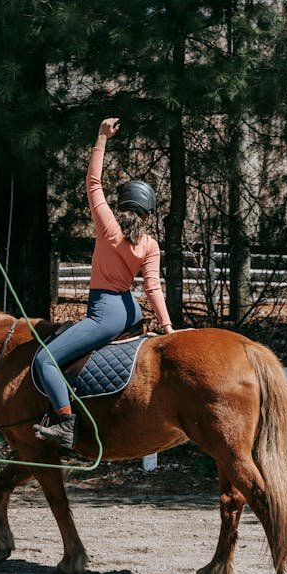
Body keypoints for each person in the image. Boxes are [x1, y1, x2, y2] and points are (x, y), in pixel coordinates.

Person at [33, 117, 175, 450]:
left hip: (105, 312)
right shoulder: (150, 244)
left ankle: (66, 424)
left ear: (122, 205)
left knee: (45, 361)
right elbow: (153, 288)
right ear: (146, 214)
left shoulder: (108, 228)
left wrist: (101, 138)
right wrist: (168, 328)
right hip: (131, 311)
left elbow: (93, 183)